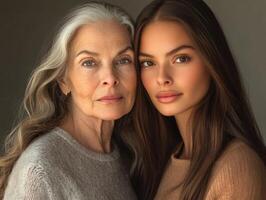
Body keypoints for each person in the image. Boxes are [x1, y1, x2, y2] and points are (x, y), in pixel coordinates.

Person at [0, 2, 137, 199]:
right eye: (89, 62)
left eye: (123, 60)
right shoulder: (39, 169)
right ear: (64, 81)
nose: (110, 77)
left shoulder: (129, 155)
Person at [132, 0, 266, 199]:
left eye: (181, 58)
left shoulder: (236, 168)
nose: (162, 78)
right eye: (148, 62)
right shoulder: (162, 160)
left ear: (211, 60)